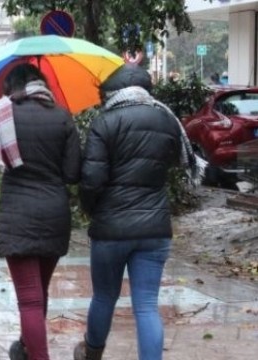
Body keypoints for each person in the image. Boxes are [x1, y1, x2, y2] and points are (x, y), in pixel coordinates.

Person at [74, 64, 204, 360]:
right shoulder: (167, 120)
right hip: (155, 228)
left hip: (110, 229)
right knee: (146, 304)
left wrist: (92, 211)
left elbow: (92, 181)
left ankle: (92, 353)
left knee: (104, 296)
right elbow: (171, 166)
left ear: (113, 92)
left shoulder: (104, 122)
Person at [0, 63, 81, 360]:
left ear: (12, 88)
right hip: (54, 213)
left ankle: (37, 354)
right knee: (39, 292)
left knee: (29, 300)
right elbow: (73, 173)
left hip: (18, 214)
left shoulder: (1, 113)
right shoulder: (63, 117)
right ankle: (25, 347)